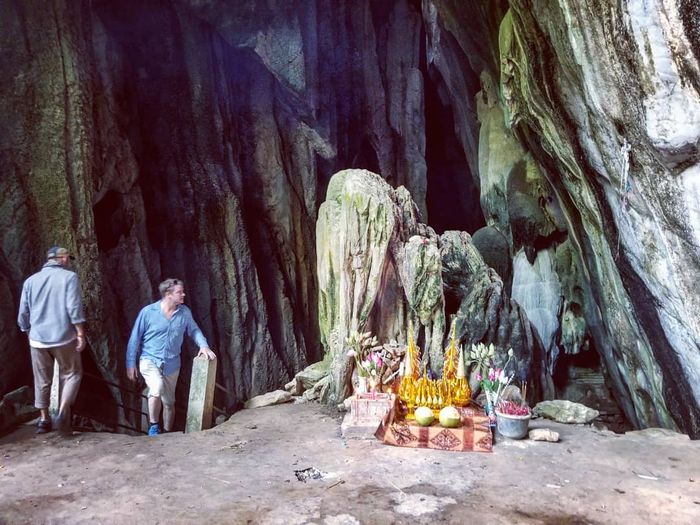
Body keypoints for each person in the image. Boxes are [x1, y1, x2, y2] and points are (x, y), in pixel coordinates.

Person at [126, 278, 215, 436]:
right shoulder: (148, 312)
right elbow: (135, 338)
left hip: (172, 364)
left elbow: (194, 330)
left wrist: (203, 345)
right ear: (168, 294)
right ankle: (153, 426)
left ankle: (167, 433)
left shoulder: (184, 313)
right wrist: (130, 363)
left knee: (169, 403)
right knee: (156, 387)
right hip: (149, 359)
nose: (183, 294)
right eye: (179, 292)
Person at [17, 246, 86, 435]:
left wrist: (27, 330)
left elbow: (23, 312)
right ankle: (64, 410)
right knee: (72, 373)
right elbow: (74, 306)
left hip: (38, 339)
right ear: (61, 259)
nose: (70, 261)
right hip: (63, 337)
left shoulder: (30, 281)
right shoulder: (68, 277)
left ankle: (44, 420)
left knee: (42, 380)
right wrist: (80, 332)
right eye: (68, 258)